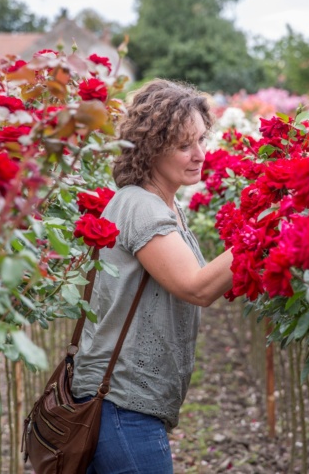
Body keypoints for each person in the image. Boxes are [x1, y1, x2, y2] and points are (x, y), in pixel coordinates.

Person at [71, 79, 234, 473]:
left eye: (201, 140)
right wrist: (266, 235)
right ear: (151, 148)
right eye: (183, 145)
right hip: (121, 408)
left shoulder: (162, 205)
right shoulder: (141, 207)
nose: (199, 155)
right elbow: (197, 287)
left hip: (124, 406)